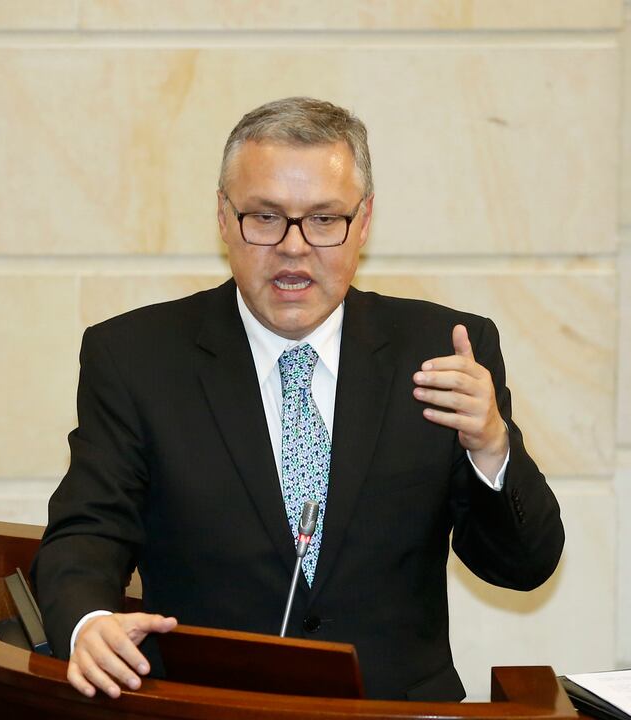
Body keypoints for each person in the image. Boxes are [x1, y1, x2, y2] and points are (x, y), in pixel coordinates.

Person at [30, 97, 565, 702]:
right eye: (265, 218)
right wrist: (88, 623)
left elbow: (525, 568)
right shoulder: (135, 357)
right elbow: (87, 530)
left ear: (363, 222)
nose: (293, 247)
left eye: (323, 219)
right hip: (208, 711)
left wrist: (491, 446)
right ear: (224, 219)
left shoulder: (445, 352)